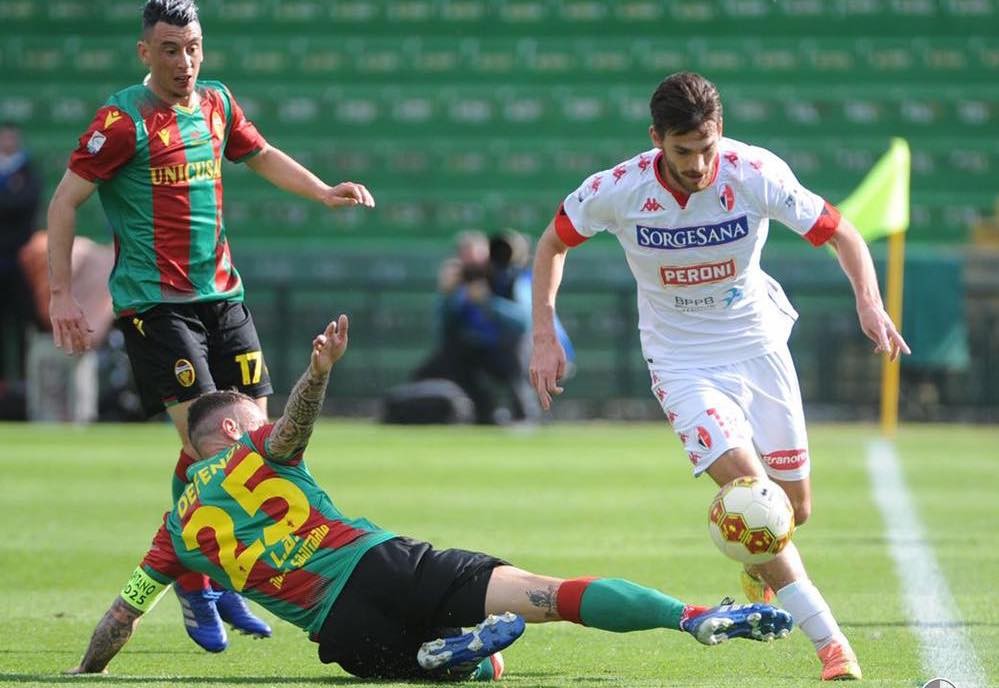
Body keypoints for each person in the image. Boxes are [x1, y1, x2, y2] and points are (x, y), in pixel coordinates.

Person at [68, 313, 793, 681]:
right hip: (381, 563)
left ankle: (447, 660)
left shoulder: (173, 532)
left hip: (341, 633)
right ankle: (689, 617)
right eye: (248, 415)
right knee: (551, 594)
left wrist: (81, 673)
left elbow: (118, 619)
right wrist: (317, 373)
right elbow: (290, 429)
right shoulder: (255, 447)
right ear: (230, 429)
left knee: (477, 669)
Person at [529, 72, 911, 682]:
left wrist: (868, 301)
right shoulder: (617, 189)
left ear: (720, 132)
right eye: (683, 151)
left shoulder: (753, 172)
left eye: (706, 147)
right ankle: (831, 644)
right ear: (656, 139)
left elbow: (841, 231)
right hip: (681, 363)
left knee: (793, 510)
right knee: (753, 497)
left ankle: (757, 564)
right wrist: (544, 333)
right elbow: (552, 244)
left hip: (759, 348)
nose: (698, 164)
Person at [44, 0, 375, 652]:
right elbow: (64, 200)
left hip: (224, 297)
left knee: (255, 446)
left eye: (193, 47)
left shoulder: (217, 102)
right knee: (213, 450)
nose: (184, 61)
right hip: (157, 308)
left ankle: (215, 578)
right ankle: (197, 585)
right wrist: (61, 294)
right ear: (145, 53)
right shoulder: (121, 122)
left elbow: (261, 153)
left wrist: (321, 191)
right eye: (170, 49)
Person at [0, 122, 42, 390]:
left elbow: (27, 202)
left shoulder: (28, 171)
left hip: (22, 260)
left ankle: (25, 383)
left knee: (22, 322)